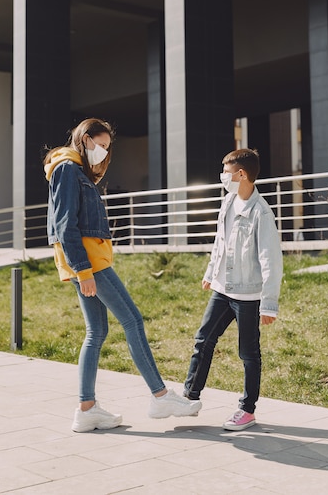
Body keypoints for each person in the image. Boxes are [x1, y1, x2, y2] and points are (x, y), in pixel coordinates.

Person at [44, 117, 201, 433]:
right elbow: (64, 226)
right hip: (90, 263)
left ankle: (86, 409)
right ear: (85, 139)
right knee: (133, 320)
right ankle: (159, 396)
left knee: (96, 333)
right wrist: (84, 270)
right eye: (100, 145)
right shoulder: (67, 168)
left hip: (88, 262)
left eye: (106, 147)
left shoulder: (75, 170)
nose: (103, 151)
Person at [183, 148, 283, 431]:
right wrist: (210, 273)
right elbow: (220, 242)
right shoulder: (227, 202)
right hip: (223, 289)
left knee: (248, 353)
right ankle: (190, 398)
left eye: (226, 172)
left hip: (249, 296)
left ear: (241, 175)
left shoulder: (261, 213)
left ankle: (247, 410)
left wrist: (269, 303)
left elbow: (270, 259)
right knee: (203, 340)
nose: (222, 177)